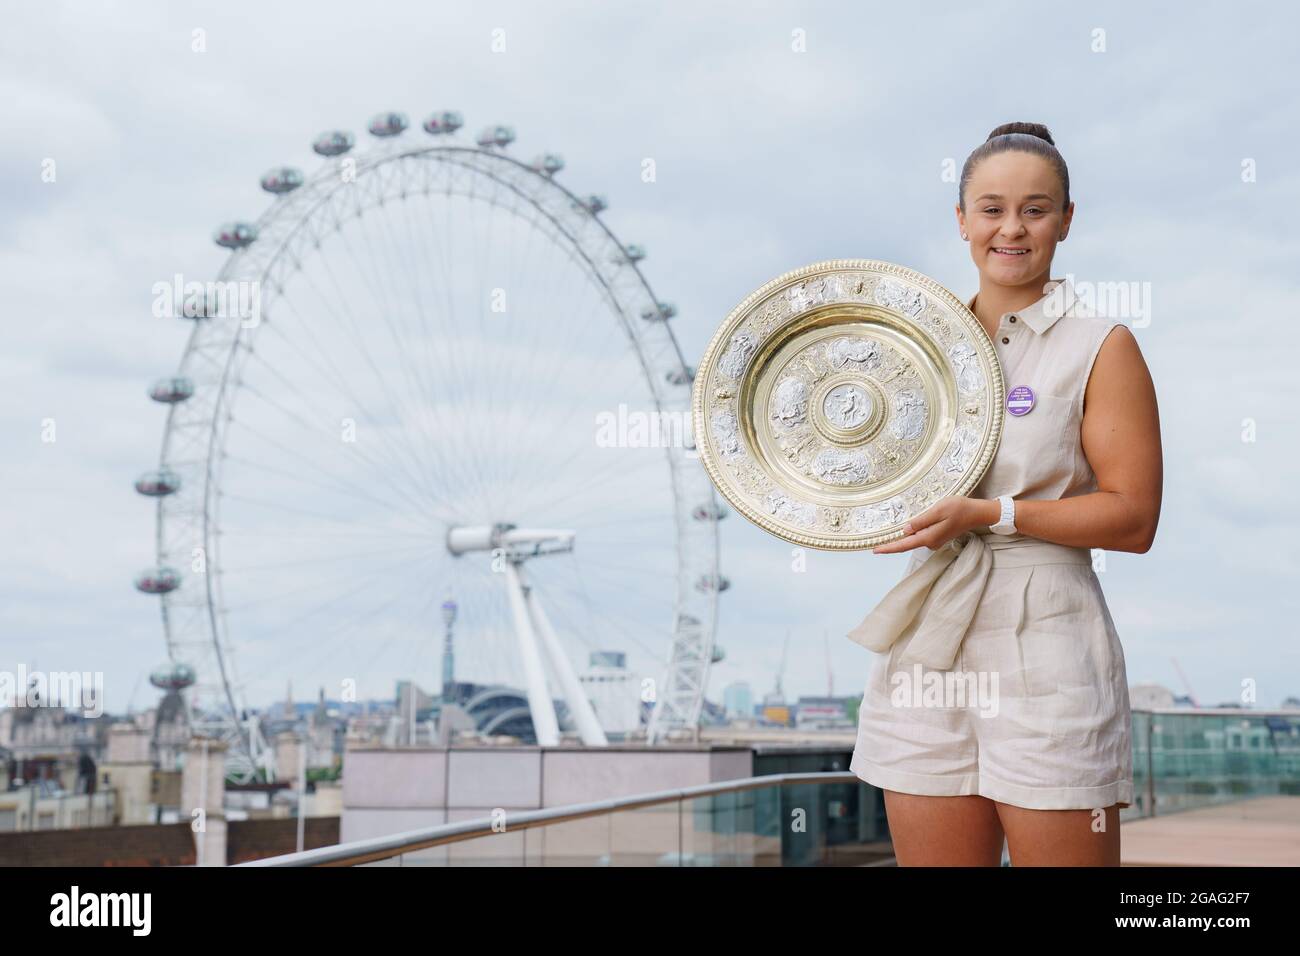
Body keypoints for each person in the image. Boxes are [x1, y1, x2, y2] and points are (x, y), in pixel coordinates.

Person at [847, 122, 1163, 866]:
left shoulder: (1100, 343)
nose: (1011, 228)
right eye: (991, 209)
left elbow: (1134, 517)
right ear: (961, 220)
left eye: (1035, 209)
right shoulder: (913, 348)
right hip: (928, 634)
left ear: (1066, 220)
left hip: (1047, 639)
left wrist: (995, 513)